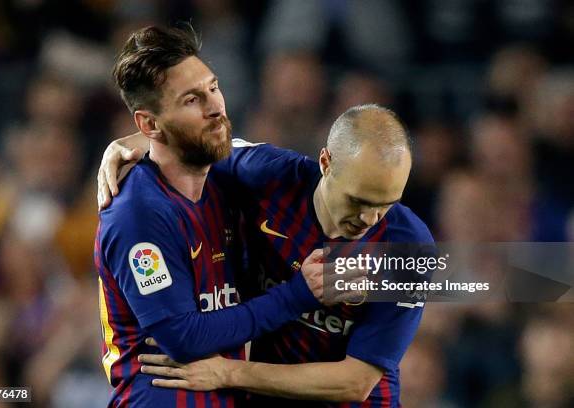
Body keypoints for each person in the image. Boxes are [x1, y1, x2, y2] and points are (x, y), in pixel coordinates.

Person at [98, 104, 434, 406]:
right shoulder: (269, 176)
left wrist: (228, 373)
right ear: (326, 163)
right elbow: (198, 146)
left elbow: (355, 382)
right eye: (357, 200)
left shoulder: (409, 248)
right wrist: (139, 141)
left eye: (385, 205)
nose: (369, 219)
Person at [97, 25, 351, 408]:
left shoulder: (230, 178)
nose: (216, 106)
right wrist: (296, 295)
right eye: (192, 100)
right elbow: (182, 337)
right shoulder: (137, 213)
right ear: (150, 124)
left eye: (214, 88)